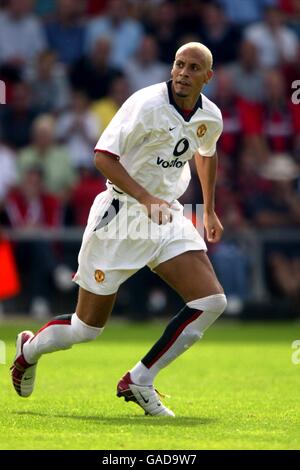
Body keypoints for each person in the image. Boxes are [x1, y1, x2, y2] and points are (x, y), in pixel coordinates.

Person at [11, 42, 227, 417]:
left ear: (207, 77)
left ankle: (140, 379)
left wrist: (208, 210)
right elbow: (102, 157)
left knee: (211, 301)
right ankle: (29, 349)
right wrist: (145, 199)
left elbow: (206, 153)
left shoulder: (211, 116)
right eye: (179, 64)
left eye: (193, 68)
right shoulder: (146, 104)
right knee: (86, 328)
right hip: (122, 214)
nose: (183, 73)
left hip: (167, 214)